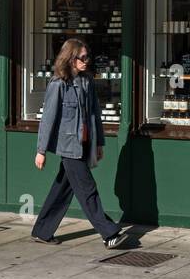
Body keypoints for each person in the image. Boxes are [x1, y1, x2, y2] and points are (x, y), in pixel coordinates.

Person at [31, 38, 130, 249]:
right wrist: (41, 151)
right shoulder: (58, 85)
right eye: (82, 58)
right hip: (69, 147)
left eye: (87, 57)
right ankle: (109, 233)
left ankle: (42, 230)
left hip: (84, 144)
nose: (86, 61)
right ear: (70, 59)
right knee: (87, 189)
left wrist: (99, 143)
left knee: (63, 188)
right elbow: (48, 119)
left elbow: (95, 114)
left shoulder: (86, 81)